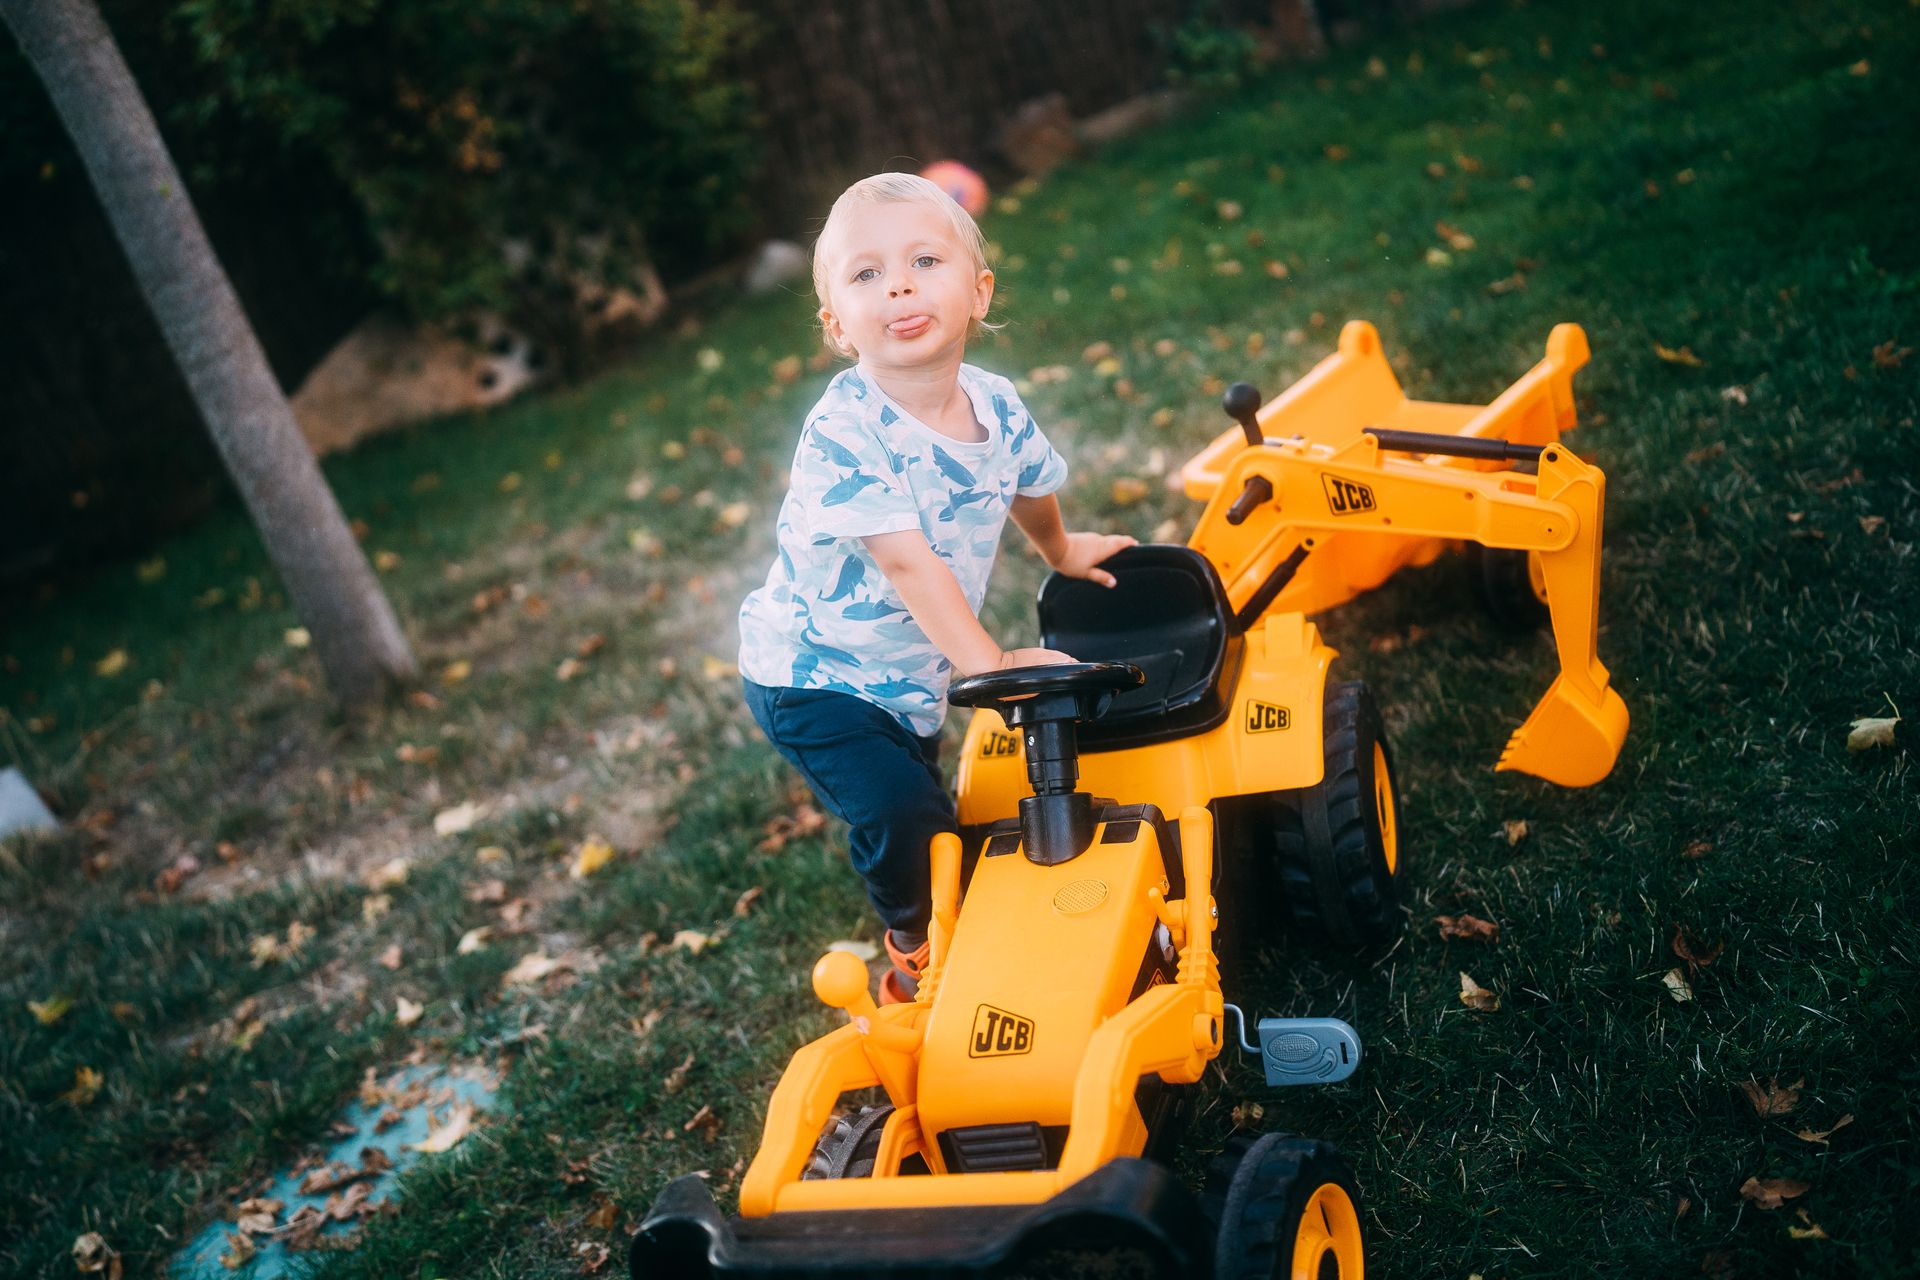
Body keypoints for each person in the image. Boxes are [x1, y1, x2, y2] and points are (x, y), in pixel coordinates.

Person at [737, 172, 1135, 1003]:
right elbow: (907, 561)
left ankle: (946, 908)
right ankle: (913, 947)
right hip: (813, 673)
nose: (901, 286)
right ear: (837, 325)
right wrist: (988, 661)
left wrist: (1061, 550)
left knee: (925, 800)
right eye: (867, 274)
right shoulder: (844, 431)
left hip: (909, 672)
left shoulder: (998, 404)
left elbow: (1028, 484)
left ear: (978, 292)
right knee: (902, 815)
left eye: (924, 260)